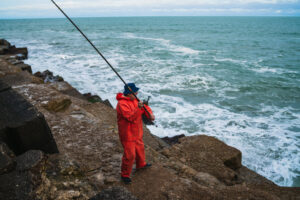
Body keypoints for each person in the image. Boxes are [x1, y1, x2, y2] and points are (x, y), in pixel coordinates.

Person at [116, 83, 155, 184]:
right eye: (135, 92)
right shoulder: (121, 104)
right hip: (127, 134)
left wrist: (150, 114)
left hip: (137, 132)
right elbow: (130, 117)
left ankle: (141, 164)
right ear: (129, 94)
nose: (137, 93)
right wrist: (138, 108)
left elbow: (145, 107)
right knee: (130, 155)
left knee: (140, 149)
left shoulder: (135, 100)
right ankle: (125, 174)